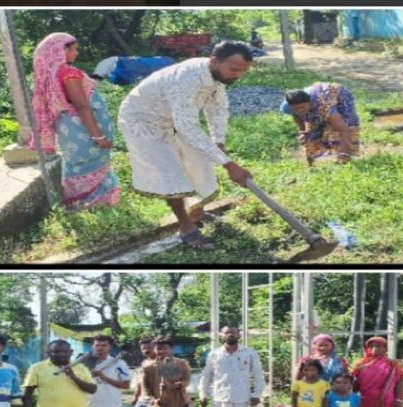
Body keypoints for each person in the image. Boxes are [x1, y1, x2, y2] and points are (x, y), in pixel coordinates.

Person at [118, 41, 256, 250]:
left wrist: (218, 142)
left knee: (199, 164)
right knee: (171, 173)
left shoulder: (217, 76)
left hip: (173, 120)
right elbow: (187, 126)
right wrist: (230, 165)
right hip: (143, 121)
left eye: (243, 71)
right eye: (234, 69)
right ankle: (185, 226)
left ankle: (197, 211)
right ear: (214, 61)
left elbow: (217, 109)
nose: (237, 75)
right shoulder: (189, 78)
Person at [30, 32, 120, 210]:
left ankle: (78, 206)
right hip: (83, 131)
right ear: (61, 51)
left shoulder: (50, 76)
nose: (76, 53)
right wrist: (98, 137)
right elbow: (81, 106)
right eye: (74, 49)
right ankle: (96, 206)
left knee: (77, 165)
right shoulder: (68, 73)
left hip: (68, 130)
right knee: (89, 164)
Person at [280, 82, 360, 166]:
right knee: (312, 133)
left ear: (310, 103)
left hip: (338, 94)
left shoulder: (324, 106)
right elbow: (297, 116)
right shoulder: (287, 107)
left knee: (343, 125)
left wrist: (343, 154)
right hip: (317, 97)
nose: (300, 110)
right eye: (296, 108)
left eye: (302, 107)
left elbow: (344, 130)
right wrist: (303, 131)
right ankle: (311, 163)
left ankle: (344, 159)